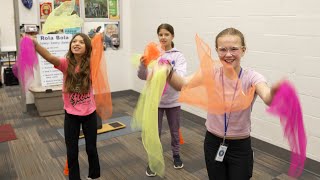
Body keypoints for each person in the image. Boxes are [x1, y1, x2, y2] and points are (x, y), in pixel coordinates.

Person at [165, 27, 279, 180]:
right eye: (223, 49)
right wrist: (169, 71)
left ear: (243, 50)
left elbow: (267, 97)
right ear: (217, 51)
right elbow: (182, 84)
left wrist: (275, 93)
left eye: (234, 49)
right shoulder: (212, 72)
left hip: (240, 146)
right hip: (213, 142)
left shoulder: (251, 77)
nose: (228, 54)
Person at [32, 33, 100, 180]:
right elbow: (50, 57)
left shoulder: (92, 63)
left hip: (89, 114)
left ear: (87, 47)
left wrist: (99, 42)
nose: (76, 44)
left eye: (81, 42)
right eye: (74, 41)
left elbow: (98, 53)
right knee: (72, 150)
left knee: (91, 148)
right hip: (71, 115)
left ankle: (94, 175)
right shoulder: (65, 63)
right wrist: (35, 45)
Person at [137, 23, 187, 177]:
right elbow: (143, 76)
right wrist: (143, 65)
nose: (163, 37)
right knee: (154, 132)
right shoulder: (153, 53)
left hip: (173, 101)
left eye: (166, 34)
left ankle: (176, 155)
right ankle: (153, 160)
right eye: (160, 34)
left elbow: (181, 78)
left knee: (174, 130)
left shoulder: (178, 56)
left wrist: (168, 68)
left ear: (172, 36)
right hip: (155, 101)